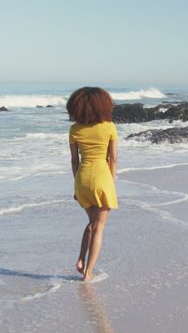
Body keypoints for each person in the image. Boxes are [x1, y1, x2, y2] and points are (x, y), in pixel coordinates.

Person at [67, 87, 118, 282]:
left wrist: (76, 186)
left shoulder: (75, 130)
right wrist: (111, 183)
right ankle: (88, 272)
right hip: (102, 178)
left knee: (92, 223)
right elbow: (113, 159)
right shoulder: (109, 127)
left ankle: (81, 259)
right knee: (99, 227)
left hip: (82, 179)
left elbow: (74, 161)